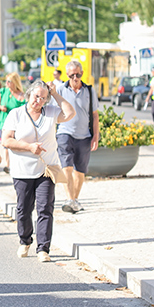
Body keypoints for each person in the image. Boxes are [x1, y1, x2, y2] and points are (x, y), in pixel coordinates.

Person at [1, 80, 75, 263]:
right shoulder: (16, 114)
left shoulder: (50, 112)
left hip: (46, 169)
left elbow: (70, 113)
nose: (38, 101)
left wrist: (55, 94)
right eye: (36, 97)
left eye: (43, 98)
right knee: (24, 210)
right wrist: (28, 147)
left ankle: (43, 248)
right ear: (29, 95)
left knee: (45, 208)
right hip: (22, 170)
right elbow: (6, 140)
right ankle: (25, 241)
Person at [55, 60, 99, 214]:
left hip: (84, 136)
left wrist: (95, 136)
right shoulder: (60, 89)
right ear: (67, 75)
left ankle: (74, 199)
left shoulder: (89, 90)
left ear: (82, 73)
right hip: (64, 133)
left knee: (80, 171)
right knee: (66, 166)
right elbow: (53, 112)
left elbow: (94, 115)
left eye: (78, 74)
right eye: (72, 74)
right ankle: (69, 199)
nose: (75, 77)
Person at [0, 72, 26, 174]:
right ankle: (7, 165)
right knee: (6, 145)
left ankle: (16, 164)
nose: (7, 83)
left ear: (15, 82)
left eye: (9, 81)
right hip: (4, 122)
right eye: (6, 81)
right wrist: (0, 107)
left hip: (17, 124)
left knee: (16, 144)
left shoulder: (22, 95)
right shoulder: (4, 91)